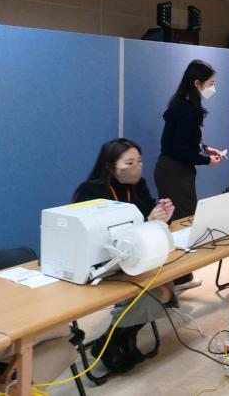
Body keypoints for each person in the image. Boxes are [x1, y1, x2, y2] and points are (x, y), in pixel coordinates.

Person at [72, 138, 177, 374]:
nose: (137, 167)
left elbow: (147, 220)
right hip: (100, 265)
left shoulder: (137, 186)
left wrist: (161, 217)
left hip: (132, 259)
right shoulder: (91, 192)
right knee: (156, 290)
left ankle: (118, 338)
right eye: (129, 163)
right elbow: (94, 238)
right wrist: (147, 222)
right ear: (111, 166)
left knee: (165, 290)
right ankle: (114, 341)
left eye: (139, 161)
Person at [155, 59, 224, 290]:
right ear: (197, 83)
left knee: (181, 220)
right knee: (181, 223)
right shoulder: (186, 110)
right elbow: (180, 149)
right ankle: (177, 278)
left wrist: (206, 149)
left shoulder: (182, 106)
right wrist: (207, 160)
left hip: (174, 170)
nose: (213, 88)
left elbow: (184, 143)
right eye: (210, 83)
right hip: (173, 172)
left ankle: (179, 277)